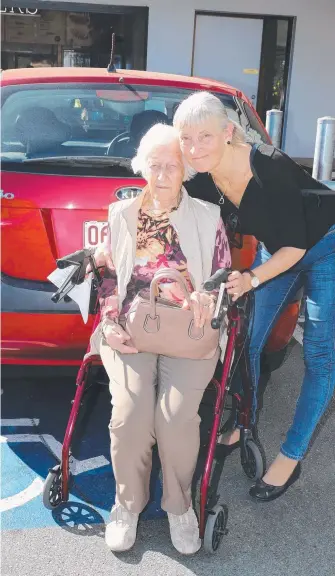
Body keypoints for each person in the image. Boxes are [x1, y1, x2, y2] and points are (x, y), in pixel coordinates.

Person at [173, 91, 335, 502]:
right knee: (249, 341)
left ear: (228, 132)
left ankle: (290, 457)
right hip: (277, 248)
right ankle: (244, 421)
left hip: (324, 246)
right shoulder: (202, 177)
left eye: (204, 136)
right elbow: (167, 200)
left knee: (319, 354)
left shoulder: (269, 165)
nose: (194, 149)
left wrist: (249, 279)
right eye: (185, 139)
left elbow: (295, 248)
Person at [91, 123, 231, 553]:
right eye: (156, 165)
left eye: (173, 165)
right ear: (142, 167)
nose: (165, 174)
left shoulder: (208, 217)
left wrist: (208, 298)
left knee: (174, 420)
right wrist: (110, 322)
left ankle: (179, 506)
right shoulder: (123, 214)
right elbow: (108, 274)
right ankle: (127, 504)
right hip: (133, 326)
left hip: (188, 332)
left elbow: (222, 277)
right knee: (131, 413)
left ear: (185, 169)